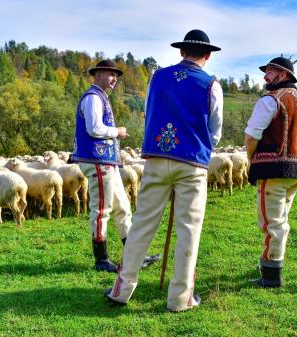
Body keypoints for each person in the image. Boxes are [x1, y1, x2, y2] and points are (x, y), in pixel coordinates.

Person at [105, 29, 223, 312]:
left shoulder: (158, 78)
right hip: (192, 162)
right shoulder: (211, 85)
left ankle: (121, 289)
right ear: (207, 55)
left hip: (157, 157)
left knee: (143, 223)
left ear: (182, 51)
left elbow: (150, 113)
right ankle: (180, 298)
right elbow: (215, 131)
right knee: (189, 229)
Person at [244, 56, 297, 288]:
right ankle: (270, 264)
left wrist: (252, 159)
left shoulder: (270, 100)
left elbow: (252, 135)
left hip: (274, 170)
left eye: (270, 71)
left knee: (273, 223)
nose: (265, 76)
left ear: (284, 75)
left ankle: (271, 275)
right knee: (280, 218)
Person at [71, 60, 159, 272]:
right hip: (97, 162)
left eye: (116, 75)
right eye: (109, 74)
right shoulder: (93, 98)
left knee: (123, 207)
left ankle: (135, 256)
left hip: (106, 162)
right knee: (102, 210)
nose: (114, 79)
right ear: (97, 75)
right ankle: (101, 260)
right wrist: (117, 131)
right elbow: (94, 129)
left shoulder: (101, 98)